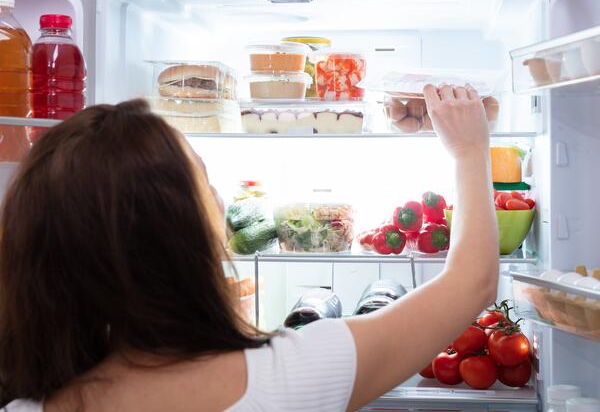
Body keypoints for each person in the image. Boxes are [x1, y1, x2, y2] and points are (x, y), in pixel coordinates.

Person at [0, 84, 498, 412]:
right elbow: (470, 281)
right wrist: (471, 149)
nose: (218, 196)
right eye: (204, 178)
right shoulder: (292, 376)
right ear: (183, 234)